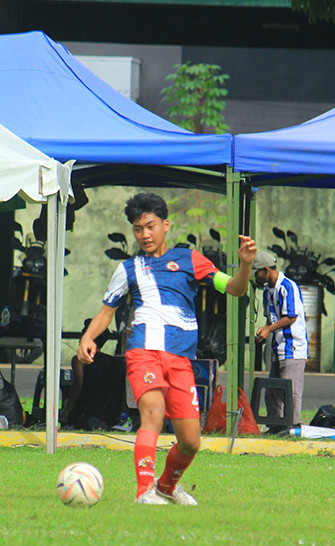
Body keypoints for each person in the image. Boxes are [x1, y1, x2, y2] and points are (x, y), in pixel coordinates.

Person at [78, 192, 256, 505]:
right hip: (143, 352)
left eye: (150, 226)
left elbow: (235, 289)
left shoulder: (190, 259)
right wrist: (88, 338)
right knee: (153, 416)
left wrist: (245, 265)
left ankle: (166, 487)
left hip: (181, 360)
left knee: (191, 441)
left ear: (166, 225)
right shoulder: (128, 268)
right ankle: (144, 490)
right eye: (137, 228)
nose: (144, 234)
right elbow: (106, 311)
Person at [253, 250, 308, 429]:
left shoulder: (287, 286)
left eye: (257, 272)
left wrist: (268, 329)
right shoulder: (268, 290)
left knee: (291, 392)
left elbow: (291, 316)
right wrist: (265, 329)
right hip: (278, 347)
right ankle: (275, 426)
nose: (256, 276)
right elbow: (272, 318)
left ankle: (292, 427)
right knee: (273, 392)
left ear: (266, 270)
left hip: (293, 347)